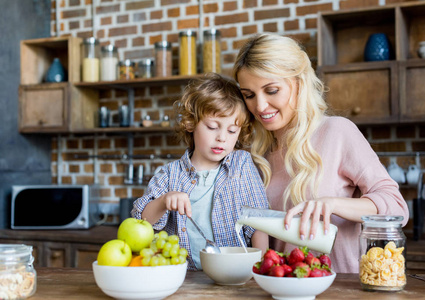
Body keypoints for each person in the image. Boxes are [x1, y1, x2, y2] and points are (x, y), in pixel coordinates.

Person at [232, 33, 409, 273]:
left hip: (339, 288)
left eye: (271, 90)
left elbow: (397, 207)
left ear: (298, 83)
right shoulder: (253, 152)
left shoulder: (337, 132)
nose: (260, 106)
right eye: (249, 95)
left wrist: (334, 204)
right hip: (278, 287)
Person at [131, 73, 269, 270]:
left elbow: (259, 222)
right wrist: (163, 201)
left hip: (236, 273)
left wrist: (261, 268)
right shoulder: (170, 175)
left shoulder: (241, 164)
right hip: (186, 275)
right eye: (212, 127)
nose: (222, 137)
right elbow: (140, 221)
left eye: (232, 131)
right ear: (190, 123)